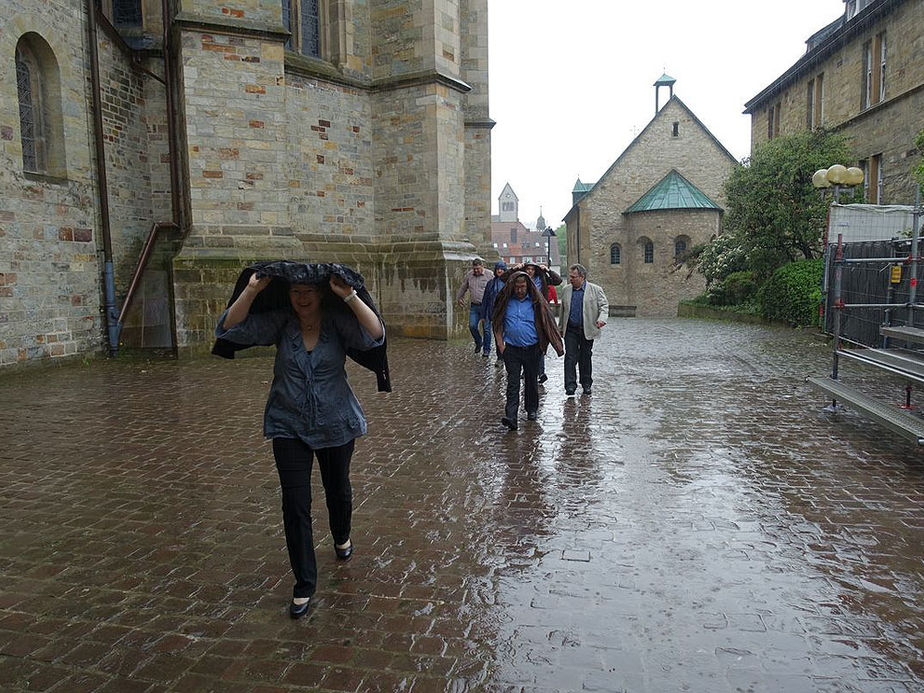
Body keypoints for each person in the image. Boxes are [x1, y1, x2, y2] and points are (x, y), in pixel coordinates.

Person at [215, 263, 385, 619]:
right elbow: (230, 328)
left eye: (308, 292)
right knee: (295, 503)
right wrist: (251, 290)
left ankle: (341, 534)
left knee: (337, 488)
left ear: (321, 293)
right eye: (295, 292)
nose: (302, 298)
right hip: (287, 423)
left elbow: (375, 335)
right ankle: (304, 583)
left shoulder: (337, 322)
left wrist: (350, 295)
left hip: (336, 423)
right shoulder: (281, 322)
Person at [492, 271, 563, 430]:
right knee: (513, 382)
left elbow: (548, 322)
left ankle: (531, 409)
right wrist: (500, 344)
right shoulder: (506, 301)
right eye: (517, 287)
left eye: (522, 286)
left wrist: (551, 342)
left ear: (528, 286)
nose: (519, 290)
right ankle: (511, 416)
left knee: (531, 381)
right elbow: (497, 322)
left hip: (532, 348)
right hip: (511, 349)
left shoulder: (537, 302)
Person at [558, 263, 609, 396]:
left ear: (582, 277)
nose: (571, 279)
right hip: (571, 329)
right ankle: (570, 385)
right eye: (570, 277)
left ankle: (586, 383)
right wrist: (560, 328)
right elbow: (562, 310)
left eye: (574, 277)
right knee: (570, 357)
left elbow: (604, 306)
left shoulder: (595, 290)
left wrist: (602, 318)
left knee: (585, 356)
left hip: (587, 328)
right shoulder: (566, 290)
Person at [507, 263, 562, 383]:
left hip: (540, 312)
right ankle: (526, 370)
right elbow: (504, 278)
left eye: (532, 269)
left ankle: (540, 371)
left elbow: (558, 280)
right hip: (523, 309)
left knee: (539, 342)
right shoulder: (518, 278)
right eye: (528, 269)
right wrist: (514, 268)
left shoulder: (541, 278)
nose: (530, 271)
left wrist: (547, 270)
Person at [456, 258, 491, 356]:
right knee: (472, 326)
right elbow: (463, 287)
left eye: (478, 269)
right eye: (474, 269)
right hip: (474, 306)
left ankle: (486, 350)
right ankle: (479, 341)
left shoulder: (489, 275)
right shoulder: (469, 275)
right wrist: (459, 297)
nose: (476, 271)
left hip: (486, 307)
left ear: (482, 266)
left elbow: (494, 287)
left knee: (487, 329)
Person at [480, 260, 507, 367]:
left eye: (501, 269)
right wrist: (483, 315)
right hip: (494, 314)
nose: (499, 271)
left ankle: (508, 357)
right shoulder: (490, 283)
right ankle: (500, 357)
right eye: (498, 269)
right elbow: (485, 299)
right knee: (498, 337)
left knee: (508, 337)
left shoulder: (508, 282)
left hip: (506, 314)